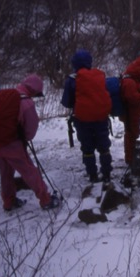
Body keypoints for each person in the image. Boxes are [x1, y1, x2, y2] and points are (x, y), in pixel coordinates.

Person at [0, 75, 60, 211]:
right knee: (29, 171)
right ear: (34, 90)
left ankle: (9, 202)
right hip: (12, 144)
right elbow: (31, 129)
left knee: (6, 172)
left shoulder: (6, 95)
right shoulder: (26, 102)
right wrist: (24, 138)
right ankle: (46, 200)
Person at [61, 49, 113, 183]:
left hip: (82, 120)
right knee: (104, 147)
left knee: (87, 148)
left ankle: (93, 175)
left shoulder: (72, 80)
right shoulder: (99, 75)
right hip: (101, 117)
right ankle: (106, 174)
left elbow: (67, 102)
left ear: (75, 64)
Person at [119, 55, 140, 166]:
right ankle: (131, 159)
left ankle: (132, 157)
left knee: (132, 135)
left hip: (132, 114)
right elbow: (132, 98)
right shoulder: (130, 82)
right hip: (131, 114)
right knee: (133, 135)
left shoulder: (130, 79)